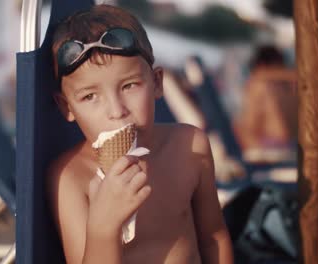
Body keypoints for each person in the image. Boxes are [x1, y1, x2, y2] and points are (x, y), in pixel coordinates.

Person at [47, 5, 233, 264]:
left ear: (157, 83)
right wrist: (104, 227)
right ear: (67, 107)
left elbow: (214, 236)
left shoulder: (190, 147)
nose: (117, 111)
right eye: (90, 96)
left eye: (129, 85)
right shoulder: (70, 178)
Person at [234, 45, 297, 160]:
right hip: (294, 147)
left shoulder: (258, 85)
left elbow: (250, 125)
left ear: (261, 65)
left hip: (270, 150)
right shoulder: (293, 84)